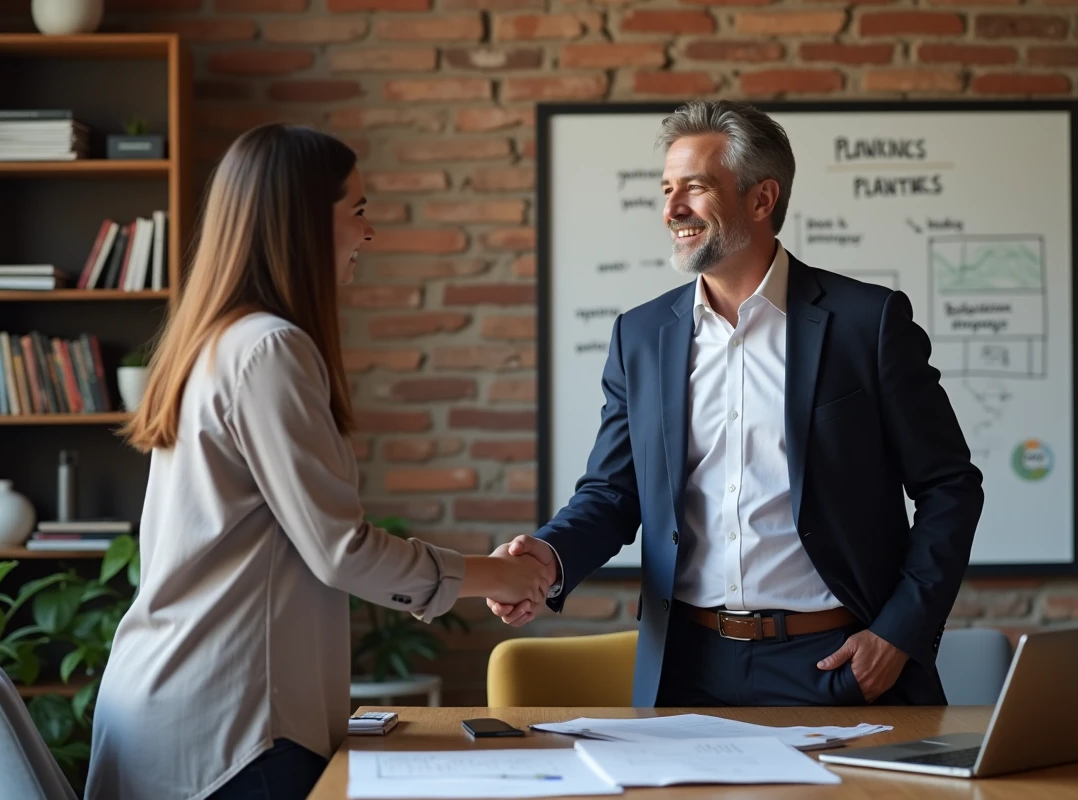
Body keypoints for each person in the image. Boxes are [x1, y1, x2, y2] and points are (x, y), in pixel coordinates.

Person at [85, 124, 554, 800]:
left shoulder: (213, 341)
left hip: (178, 710)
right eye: (357, 212)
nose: (369, 233)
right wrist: (498, 575)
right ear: (302, 222)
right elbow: (341, 551)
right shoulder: (268, 350)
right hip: (236, 733)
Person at [488, 100, 984, 708]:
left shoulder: (867, 323)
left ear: (761, 199)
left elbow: (950, 486)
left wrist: (899, 632)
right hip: (685, 667)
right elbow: (613, 493)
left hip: (835, 664)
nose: (672, 209)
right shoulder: (639, 337)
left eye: (695, 188)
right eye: (667, 189)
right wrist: (547, 555)